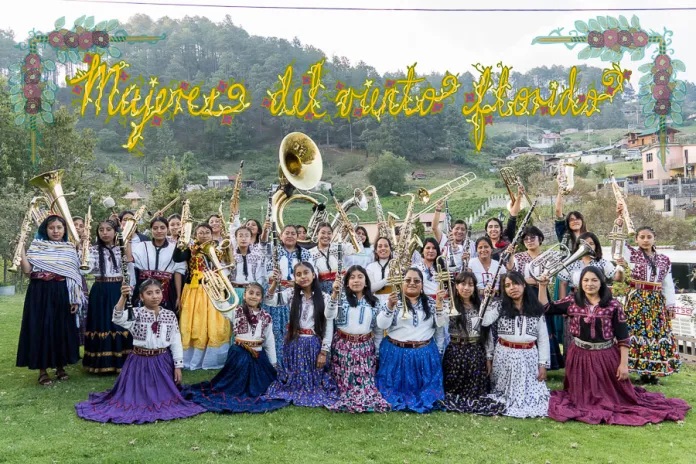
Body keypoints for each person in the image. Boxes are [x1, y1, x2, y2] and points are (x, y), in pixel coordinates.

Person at [538, 267, 691, 425]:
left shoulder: (613, 305)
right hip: (579, 358)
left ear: (601, 282)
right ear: (580, 283)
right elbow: (545, 308)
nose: (589, 284)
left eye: (594, 280)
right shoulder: (572, 301)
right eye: (586, 280)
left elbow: (623, 338)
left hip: (606, 358)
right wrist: (542, 286)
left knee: (613, 398)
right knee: (581, 397)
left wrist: (624, 365)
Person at [75, 280, 206, 423]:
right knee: (135, 398)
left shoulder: (170, 315)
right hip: (139, 363)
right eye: (149, 293)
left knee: (165, 398)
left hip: (162, 362)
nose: (155, 296)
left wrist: (178, 366)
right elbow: (117, 318)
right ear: (142, 297)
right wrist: (123, 297)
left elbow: (175, 341)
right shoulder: (135, 313)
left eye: (158, 292)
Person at [182, 283, 289, 413]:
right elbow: (222, 306)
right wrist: (217, 290)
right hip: (238, 355)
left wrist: (273, 363)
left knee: (262, 386)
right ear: (244, 295)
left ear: (261, 298)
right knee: (232, 385)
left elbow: (269, 341)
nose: (253, 296)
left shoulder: (266, 316)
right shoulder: (236, 311)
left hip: (257, 356)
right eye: (250, 293)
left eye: (257, 294)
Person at [16, 215, 85, 386]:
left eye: (59, 228)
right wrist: (21, 248)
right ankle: (42, 370)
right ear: (45, 230)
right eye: (51, 227)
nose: (55, 231)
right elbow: (27, 271)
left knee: (60, 328)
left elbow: (74, 276)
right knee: (41, 328)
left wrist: (75, 299)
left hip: (62, 292)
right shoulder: (36, 246)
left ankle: (60, 367)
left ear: (64, 230)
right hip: (39, 292)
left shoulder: (69, 249)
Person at [264, 262, 339, 407]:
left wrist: (324, 351)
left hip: (313, 345)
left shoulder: (324, 297)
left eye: (306, 273)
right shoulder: (291, 294)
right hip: (294, 343)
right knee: (293, 378)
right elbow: (269, 300)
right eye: (298, 274)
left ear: (313, 275)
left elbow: (329, 323)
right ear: (294, 278)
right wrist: (274, 284)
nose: (303, 277)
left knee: (314, 381)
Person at [375, 268, 447, 413]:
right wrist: (390, 306)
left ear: (422, 285)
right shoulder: (392, 301)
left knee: (426, 393)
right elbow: (381, 325)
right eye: (408, 280)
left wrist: (439, 305)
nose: (412, 283)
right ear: (402, 283)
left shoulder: (432, 303)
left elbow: (440, 326)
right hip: (395, 355)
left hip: (423, 355)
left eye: (416, 281)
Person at [479, 271, 550, 418]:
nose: (512, 287)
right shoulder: (499, 306)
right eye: (507, 285)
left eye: (516, 283)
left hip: (528, 356)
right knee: (502, 394)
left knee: (533, 397)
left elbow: (543, 338)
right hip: (504, 355)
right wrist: (487, 299)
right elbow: (484, 321)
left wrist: (542, 364)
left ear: (524, 285)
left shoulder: (536, 308)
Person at [617, 226, 681, 383]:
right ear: (636, 239)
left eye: (649, 237)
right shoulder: (632, 254)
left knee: (656, 334)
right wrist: (620, 221)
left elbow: (667, 284)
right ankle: (640, 371)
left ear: (654, 238)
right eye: (642, 237)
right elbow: (618, 242)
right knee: (637, 333)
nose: (645, 240)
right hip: (637, 300)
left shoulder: (664, 260)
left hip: (656, 302)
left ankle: (653, 372)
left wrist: (670, 305)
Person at [325, 265, 389, 413]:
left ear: (366, 282)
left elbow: (378, 331)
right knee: (344, 387)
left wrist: (378, 353)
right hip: (343, 348)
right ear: (347, 282)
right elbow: (328, 315)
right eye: (352, 277)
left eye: (360, 277)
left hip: (365, 349)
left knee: (365, 388)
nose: (356, 280)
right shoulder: (340, 298)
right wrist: (334, 293)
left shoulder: (375, 302)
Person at [441, 271, 505, 415]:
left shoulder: (481, 305)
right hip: (455, 351)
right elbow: (440, 323)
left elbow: (486, 333)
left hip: (476, 351)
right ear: (456, 286)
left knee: (476, 391)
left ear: (475, 288)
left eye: (470, 284)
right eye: (463, 284)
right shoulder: (449, 304)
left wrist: (489, 357)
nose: (466, 288)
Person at [173, 224, 232, 370]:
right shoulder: (190, 250)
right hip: (195, 290)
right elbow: (177, 258)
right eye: (200, 232)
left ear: (212, 235)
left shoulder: (217, 250)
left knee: (214, 323)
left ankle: (212, 358)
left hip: (213, 289)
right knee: (195, 324)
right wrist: (181, 241)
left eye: (207, 232)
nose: (204, 235)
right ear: (195, 235)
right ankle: (192, 358)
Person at [83, 219, 133, 373]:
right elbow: (86, 270)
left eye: (108, 229)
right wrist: (83, 246)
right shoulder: (92, 250)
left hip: (118, 288)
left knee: (119, 323)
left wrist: (126, 238)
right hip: (101, 289)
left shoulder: (121, 248)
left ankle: (122, 361)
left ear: (115, 232)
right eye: (101, 230)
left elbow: (130, 259)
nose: (104, 233)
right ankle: (100, 363)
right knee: (102, 322)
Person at [512, 226, 564, 371]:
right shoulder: (519, 257)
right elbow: (516, 278)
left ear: (540, 239)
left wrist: (532, 280)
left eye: (532, 238)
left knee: (544, 326)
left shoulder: (549, 255)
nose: (529, 241)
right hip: (526, 295)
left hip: (541, 293)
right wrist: (534, 280)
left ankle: (547, 362)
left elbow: (552, 275)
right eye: (526, 238)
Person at [264, 224, 314, 365]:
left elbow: (309, 273)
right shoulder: (274, 251)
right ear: (281, 236)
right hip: (277, 294)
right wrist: (276, 279)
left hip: (296, 295)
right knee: (276, 331)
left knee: (296, 328)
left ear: (297, 237)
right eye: (287, 233)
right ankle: (278, 363)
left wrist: (295, 284)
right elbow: (268, 272)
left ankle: (296, 361)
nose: (290, 236)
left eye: (293, 233)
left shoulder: (304, 253)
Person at [130, 216, 185, 311]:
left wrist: (178, 296)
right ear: (151, 230)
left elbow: (178, 272)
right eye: (155, 228)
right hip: (144, 289)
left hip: (167, 291)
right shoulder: (142, 246)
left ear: (167, 229)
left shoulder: (175, 248)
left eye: (162, 228)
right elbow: (130, 260)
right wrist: (128, 237)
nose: (159, 231)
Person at [557, 231, 619, 299]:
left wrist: (620, 266)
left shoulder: (602, 262)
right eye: (584, 244)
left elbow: (617, 278)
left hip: (598, 298)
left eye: (591, 243)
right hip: (576, 299)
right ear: (578, 246)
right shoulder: (571, 263)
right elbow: (563, 284)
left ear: (596, 246)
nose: (588, 246)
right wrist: (562, 304)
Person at [309, 222, 356, 294]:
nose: (326, 236)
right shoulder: (311, 253)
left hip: (342, 286)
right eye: (323, 233)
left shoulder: (339, 246)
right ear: (317, 234)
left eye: (329, 233)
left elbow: (356, 249)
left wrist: (352, 232)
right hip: (323, 290)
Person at [432, 201, 474, 272]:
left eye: (463, 229)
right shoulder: (444, 239)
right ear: (451, 230)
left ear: (466, 232)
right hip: (446, 276)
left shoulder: (471, 244)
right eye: (457, 229)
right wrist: (438, 210)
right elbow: (434, 228)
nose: (460, 231)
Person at [229, 226, 267, 301]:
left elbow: (260, 275)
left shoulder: (257, 255)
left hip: (252, 292)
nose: (243, 239)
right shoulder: (231, 256)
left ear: (250, 238)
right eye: (240, 236)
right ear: (236, 238)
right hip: (234, 291)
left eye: (247, 236)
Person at [366, 237, 395, 306]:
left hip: (394, 302)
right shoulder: (370, 267)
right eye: (380, 246)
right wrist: (387, 279)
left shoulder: (396, 266)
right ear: (376, 250)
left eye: (386, 246)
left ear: (390, 249)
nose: (383, 248)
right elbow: (371, 288)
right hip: (375, 303)